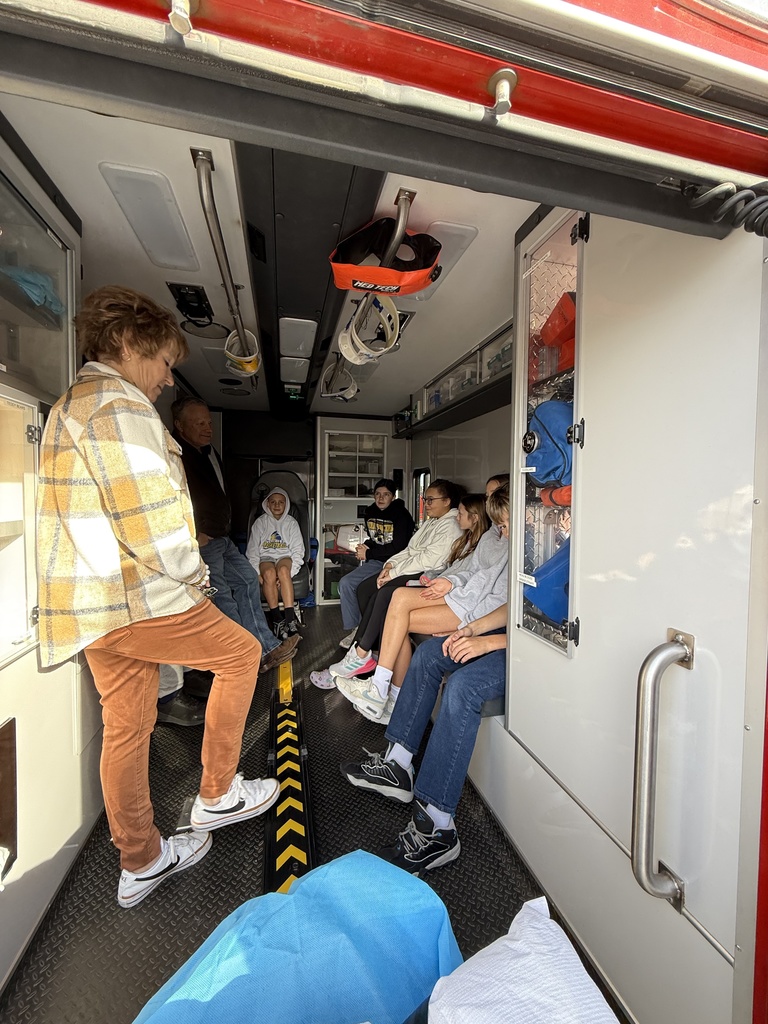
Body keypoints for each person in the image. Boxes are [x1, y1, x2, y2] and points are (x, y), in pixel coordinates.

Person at [36, 286, 281, 909]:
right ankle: (218, 792)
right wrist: (195, 582)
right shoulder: (118, 408)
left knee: (126, 727)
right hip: (135, 598)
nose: (169, 380)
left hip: (91, 605)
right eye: (165, 363)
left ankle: (140, 858)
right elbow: (153, 523)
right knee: (239, 653)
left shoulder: (73, 404)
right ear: (128, 344)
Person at [340, 601, 509, 874]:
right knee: (430, 654)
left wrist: (490, 643)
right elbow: (520, 603)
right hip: (508, 634)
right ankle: (398, 765)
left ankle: (439, 827)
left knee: (462, 687)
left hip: (533, 648)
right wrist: (471, 630)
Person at [335, 485, 509, 723]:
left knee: (393, 604)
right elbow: (467, 571)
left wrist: (468, 625)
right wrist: (447, 580)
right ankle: (386, 693)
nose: (488, 502)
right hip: (456, 595)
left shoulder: (511, 543)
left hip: (467, 607)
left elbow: (493, 593)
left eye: (492, 497)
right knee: (393, 606)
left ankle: (379, 687)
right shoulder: (489, 537)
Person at [171, 397, 298, 676]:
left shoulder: (210, 452)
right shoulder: (175, 456)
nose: (207, 428)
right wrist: (194, 535)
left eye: (208, 422)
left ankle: (263, 648)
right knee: (223, 598)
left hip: (222, 537)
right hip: (202, 542)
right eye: (199, 423)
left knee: (247, 580)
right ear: (179, 426)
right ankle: (241, 658)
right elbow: (170, 500)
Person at [309, 479, 465, 689]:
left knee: (382, 594)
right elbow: (410, 549)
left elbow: (429, 560)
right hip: (409, 566)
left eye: (430, 499)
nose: (426, 503)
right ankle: (369, 649)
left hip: (426, 573)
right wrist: (390, 566)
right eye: (424, 499)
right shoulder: (432, 521)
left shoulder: (451, 525)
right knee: (365, 588)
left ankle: (361, 653)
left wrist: (395, 572)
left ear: (447, 501)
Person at [337, 479, 414, 648]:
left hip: (397, 564)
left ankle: (371, 634)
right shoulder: (370, 512)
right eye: (377, 494)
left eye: (386, 494)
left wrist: (369, 553)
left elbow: (399, 547)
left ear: (393, 497)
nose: (381, 498)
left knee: (367, 589)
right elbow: (377, 539)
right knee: (346, 583)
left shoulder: (402, 516)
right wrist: (366, 546)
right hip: (377, 561)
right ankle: (355, 630)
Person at [245, 486, 305, 639]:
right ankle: (277, 619)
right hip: (266, 558)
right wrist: (257, 574)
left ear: (286, 505)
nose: (277, 505)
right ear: (267, 504)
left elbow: (298, 550)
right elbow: (252, 551)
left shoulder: (291, 523)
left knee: (283, 571)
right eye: (273, 502)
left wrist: (287, 576)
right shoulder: (260, 523)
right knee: (269, 574)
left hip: (285, 556)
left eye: (281, 502)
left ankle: (290, 619)